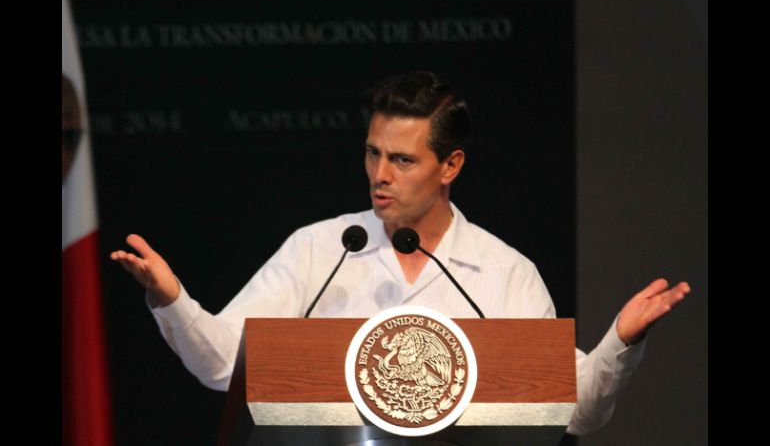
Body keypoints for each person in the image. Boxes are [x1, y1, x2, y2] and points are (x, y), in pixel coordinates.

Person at [111, 71, 690, 435]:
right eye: (372, 153)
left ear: (451, 166)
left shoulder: (504, 272)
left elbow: (575, 411)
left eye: (403, 160)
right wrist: (171, 299)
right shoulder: (322, 250)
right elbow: (223, 364)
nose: (379, 175)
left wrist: (621, 339)